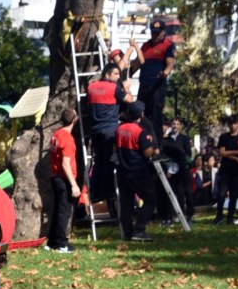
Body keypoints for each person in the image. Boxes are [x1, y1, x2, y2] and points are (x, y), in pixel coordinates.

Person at [87, 63, 134, 217]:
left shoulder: (91, 86)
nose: (118, 77)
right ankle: (106, 192)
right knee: (110, 161)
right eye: (115, 74)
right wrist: (127, 88)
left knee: (99, 161)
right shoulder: (114, 88)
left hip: (95, 130)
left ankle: (94, 191)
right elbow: (129, 100)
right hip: (109, 130)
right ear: (107, 74)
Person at [116, 101, 157, 241]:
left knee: (126, 202)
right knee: (150, 199)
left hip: (123, 171)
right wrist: (152, 147)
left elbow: (115, 148)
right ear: (141, 114)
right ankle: (139, 229)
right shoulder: (140, 131)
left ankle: (127, 232)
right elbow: (147, 153)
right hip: (138, 170)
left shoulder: (119, 129)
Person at [136, 19, 175, 140]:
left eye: (158, 33)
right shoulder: (145, 45)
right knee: (140, 113)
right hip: (144, 85)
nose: (155, 35)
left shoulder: (168, 45)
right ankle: (142, 140)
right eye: (153, 33)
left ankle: (157, 143)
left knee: (155, 115)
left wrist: (165, 73)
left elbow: (170, 63)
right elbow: (138, 62)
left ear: (163, 32)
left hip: (157, 86)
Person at [48, 108, 80, 253]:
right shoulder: (68, 138)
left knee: (57, 210)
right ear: (74, 120)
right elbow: (65, 164)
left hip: (55, 176)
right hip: (63, 178)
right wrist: (74, 185)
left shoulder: (56, 134)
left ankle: (52, 242)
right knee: (64, 211)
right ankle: (62, 244)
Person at [213, 115, 238, 224]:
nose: (232, 125)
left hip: (237, 171)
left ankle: (230, 216)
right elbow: (221, 153)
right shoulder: (224, 137)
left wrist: (228, 153)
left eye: (234, 123)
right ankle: (219, 215)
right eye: (230, 123)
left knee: (234, 194)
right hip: (225, 169)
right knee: (221, 194)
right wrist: (236, 158)